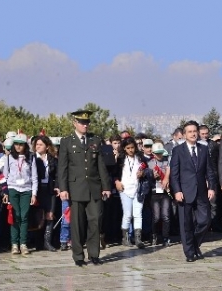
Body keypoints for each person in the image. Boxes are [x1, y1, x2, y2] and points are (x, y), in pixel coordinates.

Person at [58, 110, 111, 266]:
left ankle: (94, 254)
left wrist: (106, 186)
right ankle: (78, 255)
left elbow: (101, 165)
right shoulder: (67, 141)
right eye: (82, 122)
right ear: (75, 123)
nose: (85, 125)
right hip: (76, 188)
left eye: (87, 122)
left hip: (94, 187)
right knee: (77, 224)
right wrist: (63, 188)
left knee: (95, 220)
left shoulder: (95, 140)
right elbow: (63, 167)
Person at [169, 120, 217, 262]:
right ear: (184, 135)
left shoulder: (203, 149)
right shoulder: (178, 151)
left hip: (202, 192)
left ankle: (195, 244)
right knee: (186, 224)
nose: (193, 134)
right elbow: (174, 174)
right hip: (185, 192)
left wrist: (212, 187)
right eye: (189, 132)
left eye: (194, 131)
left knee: (205, 220)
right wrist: (177, 190)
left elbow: (210, 171)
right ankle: (189, 252)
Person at [0, 133, 38, 255]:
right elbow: (5, 176)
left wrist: (34, 194)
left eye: (20, 144)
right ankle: (14, 244)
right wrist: (5, 192)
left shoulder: (31, 157)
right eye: (16, 144)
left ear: (25, 146)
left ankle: (23, 243)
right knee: (15, 216)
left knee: (24, 216)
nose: (18, 146)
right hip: (13, 189)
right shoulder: (9, 157)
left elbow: (34, 177)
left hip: (26, 189)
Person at [113, 137, 147, 248]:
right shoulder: (121, 159)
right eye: (128, 148)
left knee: (138, 214)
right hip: (125, 189)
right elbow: (115, 173)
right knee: (127, 214)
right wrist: (117, 182)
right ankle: (125, 237)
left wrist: (142, 174)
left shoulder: (140, 158)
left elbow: (146, 170)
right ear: (124, 148)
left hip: (138, 189)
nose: (131, 150)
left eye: (132, 147)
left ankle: (138, 239)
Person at [32, 136, 59, 251]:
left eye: (40, 144)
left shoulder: (53, 159)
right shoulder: (32, 158)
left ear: (47, 147)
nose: (38, 146)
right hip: (37, 189)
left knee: (50, 215)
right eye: (36, 144)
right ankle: (37, 242)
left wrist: (58, 186)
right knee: (39, 216)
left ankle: (47, 241)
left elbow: (57, 175)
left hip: (50, 189)